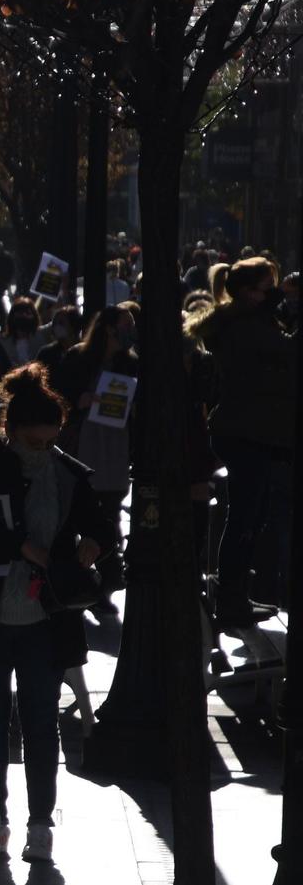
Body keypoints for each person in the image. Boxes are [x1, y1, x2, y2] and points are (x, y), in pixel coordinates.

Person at [0, 367, 112, 862]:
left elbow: (101, 526)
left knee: (42, 722)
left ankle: (41, 823)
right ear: (12, 427)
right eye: (33, 440)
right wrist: (30, 550)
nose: (41, 450)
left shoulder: (67, 472)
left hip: (46, 617)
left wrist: (92, 545)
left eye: (50, 441)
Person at [194, 256, 291, 625]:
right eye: (269, 288)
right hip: (246, 430)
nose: (275, 294)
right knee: (244, 518)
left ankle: (236, 595)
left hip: (250, 429)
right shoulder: (246, 326)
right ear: (250, 292)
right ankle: (231, 598)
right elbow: (286, 352)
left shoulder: (247, 320)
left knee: (251, 515)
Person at [53, 305, 140, 594]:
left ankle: (108, 575)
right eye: (125, 324)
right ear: (108, 328)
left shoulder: (130, 363)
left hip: (115, 445)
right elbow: (59, 395)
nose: (130, 330)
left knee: (111, 511)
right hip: (84, 443)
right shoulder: (79, 358)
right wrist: (80, 400)